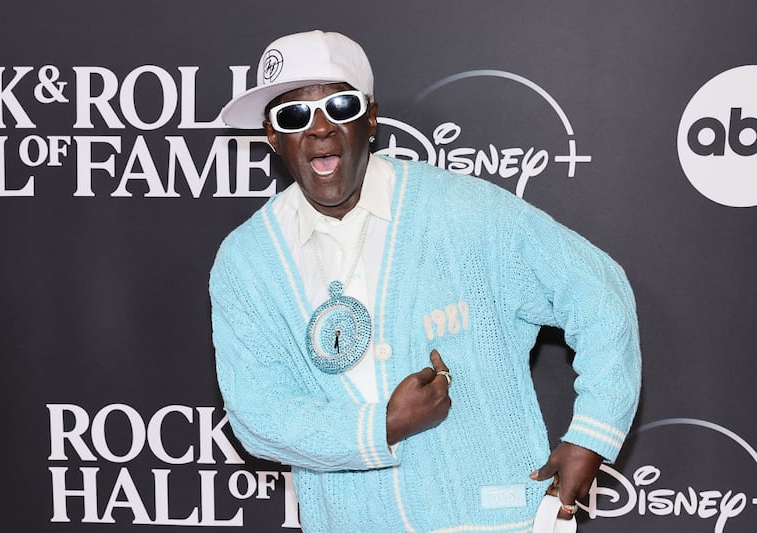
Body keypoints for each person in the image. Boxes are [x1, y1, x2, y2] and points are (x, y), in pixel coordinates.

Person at [210, 30, 640, 533]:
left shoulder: (467, 213)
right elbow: (260, 414)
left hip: (495, 521)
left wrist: (591, 435)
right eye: (294, 116)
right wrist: (383, 425)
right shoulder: (248, 261)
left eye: (340, 105)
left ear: (369, 119)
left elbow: (597, 291)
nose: (319, 129)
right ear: (272, 135)